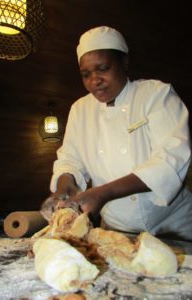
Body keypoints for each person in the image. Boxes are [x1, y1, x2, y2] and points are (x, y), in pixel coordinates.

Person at [45, 26, 192, 241]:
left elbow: (171, 159)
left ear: (124, 63)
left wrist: (103, 193)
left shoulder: (155, 94)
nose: (94, 80)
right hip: (118, 230)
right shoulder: (80, 109)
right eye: (86, 74)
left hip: (173, 225)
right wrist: (63, 189)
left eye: (103, 68)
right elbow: (70, 160)